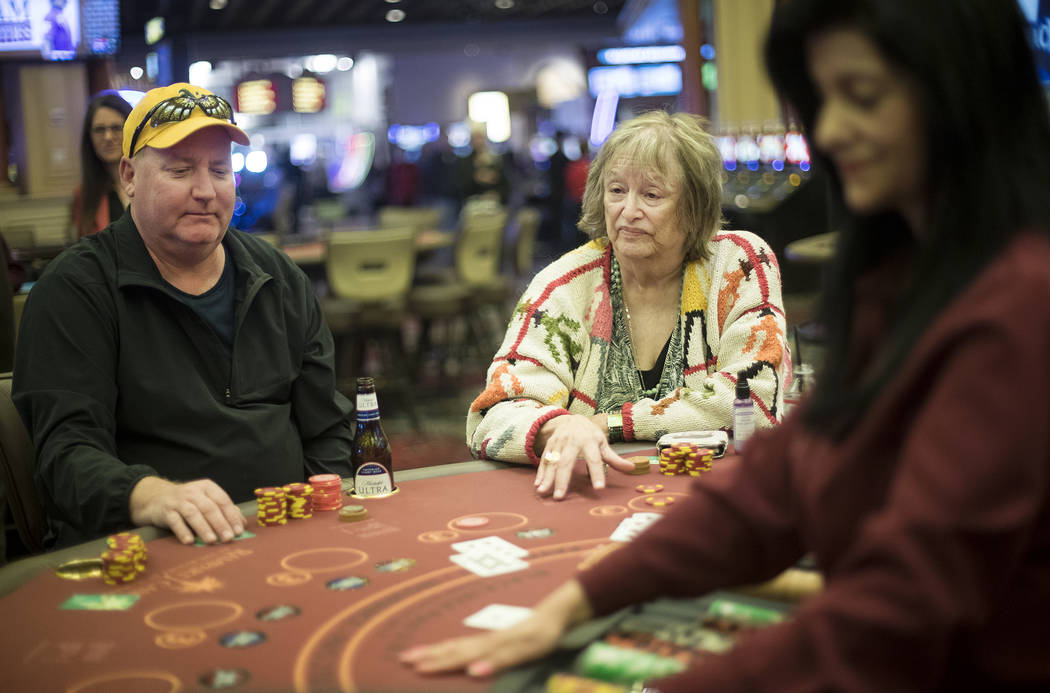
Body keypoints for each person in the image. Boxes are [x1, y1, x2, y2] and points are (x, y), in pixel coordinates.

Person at [402, 0, 1050, 689]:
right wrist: (581, 599)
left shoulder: (1017, 306)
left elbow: (898, 611)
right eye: (820, 99)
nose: (829, 129)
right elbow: (786, 476)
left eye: (861, 96)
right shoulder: (902, 279)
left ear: (962, 94)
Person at [14, 83, 353, 548]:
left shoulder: (278, 276)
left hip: (287, 536)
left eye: (219, 169)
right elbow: (65, 455)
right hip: (149, 543)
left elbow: (328, 430)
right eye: (180, 169)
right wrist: (149, 495)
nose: (205, 191)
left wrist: (318, 528)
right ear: (129, 177)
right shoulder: (74, 290)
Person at [467, 110, 788, 500]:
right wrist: (558, 427)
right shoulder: (563, 284)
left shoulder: (738, 263)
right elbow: (490, 416)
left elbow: (753, 400)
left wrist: (611, 423)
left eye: (651, 195)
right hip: (595, 495)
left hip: (717, 494)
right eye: (616, 191)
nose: (628, 211)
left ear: (694, 207)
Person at [72, 92, 132, 238]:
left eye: (116, 128)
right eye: (99, 130)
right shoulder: (84, 195)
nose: (108, 137)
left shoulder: (152, 183)